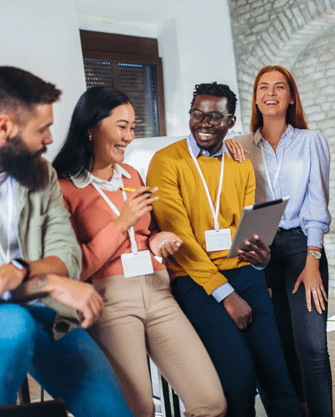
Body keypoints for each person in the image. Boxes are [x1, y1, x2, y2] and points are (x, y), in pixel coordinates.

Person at [0, 67, 132, 416]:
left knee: (114, 412)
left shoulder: (41, 173)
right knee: (11, 324)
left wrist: (18, 271)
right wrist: (46, 282)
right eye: (42, 129)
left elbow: (68, 256)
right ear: (4, 127)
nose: (49, 139)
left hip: (45, 316)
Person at [52, 86, 226, 417]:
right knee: (138, 411)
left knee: (211, 403)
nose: (129, 136)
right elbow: (75, 269)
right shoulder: (64, 187)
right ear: (90, 127)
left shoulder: (132, 175)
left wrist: (157, 240)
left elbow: (145, 232)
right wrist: (121, 222)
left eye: (132, 127)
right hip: (110, 301)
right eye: (121, 126)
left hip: (159, 291)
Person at [146, 82, 301, 417]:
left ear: (231, 122)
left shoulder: (239, 162)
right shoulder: (165, 161)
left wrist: (261, 258)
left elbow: (244, 228)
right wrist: (226, 295)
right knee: (238, 382)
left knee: (278, 376)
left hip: (244, 272)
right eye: (197, 115)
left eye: (215, 117)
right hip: (196, 280)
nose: (204, 123)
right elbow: (180, 239)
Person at [227, 65, 332, 417]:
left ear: (290, 97)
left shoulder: (310, 140)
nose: (270, 93)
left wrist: (313, 260)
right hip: (259, 249)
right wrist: (224, 149)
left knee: (312, 346)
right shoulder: (239, 146)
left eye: (279, 87)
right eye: (263, 88)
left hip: (302, 245)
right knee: (278, 344)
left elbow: (318, 203)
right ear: (255, 98)